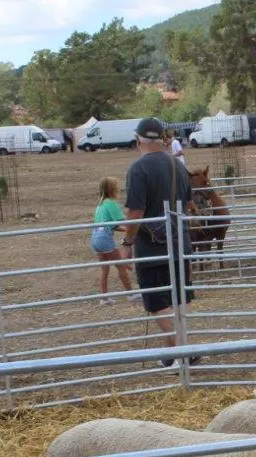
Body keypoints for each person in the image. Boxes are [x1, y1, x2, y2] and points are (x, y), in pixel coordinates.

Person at [119, 118, 200, 368]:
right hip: (180, 243)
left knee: (156, 301)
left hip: (152, 246)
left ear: (138, 140)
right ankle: (174, 352)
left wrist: (127, 242)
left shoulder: (138, 169)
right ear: (162, 139)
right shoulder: (177, 165)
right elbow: (188, 204)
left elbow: (135, 213)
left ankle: (181, 352)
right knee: (178, 298)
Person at [90, 177, 140, 305]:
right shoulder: (111, 204)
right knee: (121, 266)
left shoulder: (100, 205)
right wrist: (135, 228)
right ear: (112, 189)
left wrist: (126, 231)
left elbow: (111, 225)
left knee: (104, 269)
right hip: (105, 238)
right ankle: (131, 294)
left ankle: (104, 297)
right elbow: (124, 221)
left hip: (96, 237)